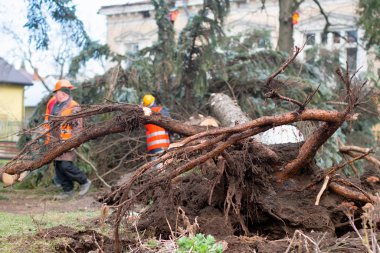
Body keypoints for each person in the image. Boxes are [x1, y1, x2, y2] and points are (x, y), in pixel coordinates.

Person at [48, 80, 91, 199]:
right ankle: (68, 191)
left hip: (68, 143)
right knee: (58, 167)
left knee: (66, 165)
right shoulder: (56, 106)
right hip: (56, 143)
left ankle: (84, 181)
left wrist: (74, 142)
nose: (55, 95)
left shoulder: (74, 106)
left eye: (56, 92)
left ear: (63, 93)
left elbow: (78, 126)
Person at [142, 94, 170, 162]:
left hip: (152, 147)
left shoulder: (145, 114)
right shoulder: (160, 110)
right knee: (162, 168)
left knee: (155, 167)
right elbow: (170, 125)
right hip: (162, 145)